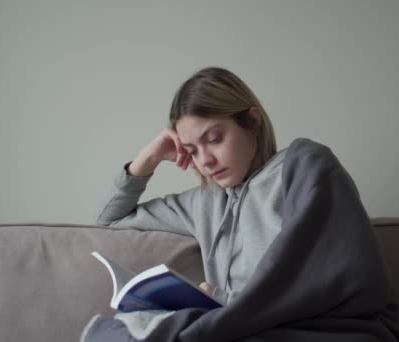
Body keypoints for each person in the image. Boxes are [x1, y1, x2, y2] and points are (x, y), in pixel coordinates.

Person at [97, 66, 283, 304]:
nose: (205, 160)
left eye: (214, 139)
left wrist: (218, 298)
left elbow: (302, 282)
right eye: (192, 150)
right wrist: (147, 159)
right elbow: (109, 223)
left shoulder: (292, 172)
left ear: (253, 121)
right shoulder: (203, 203)